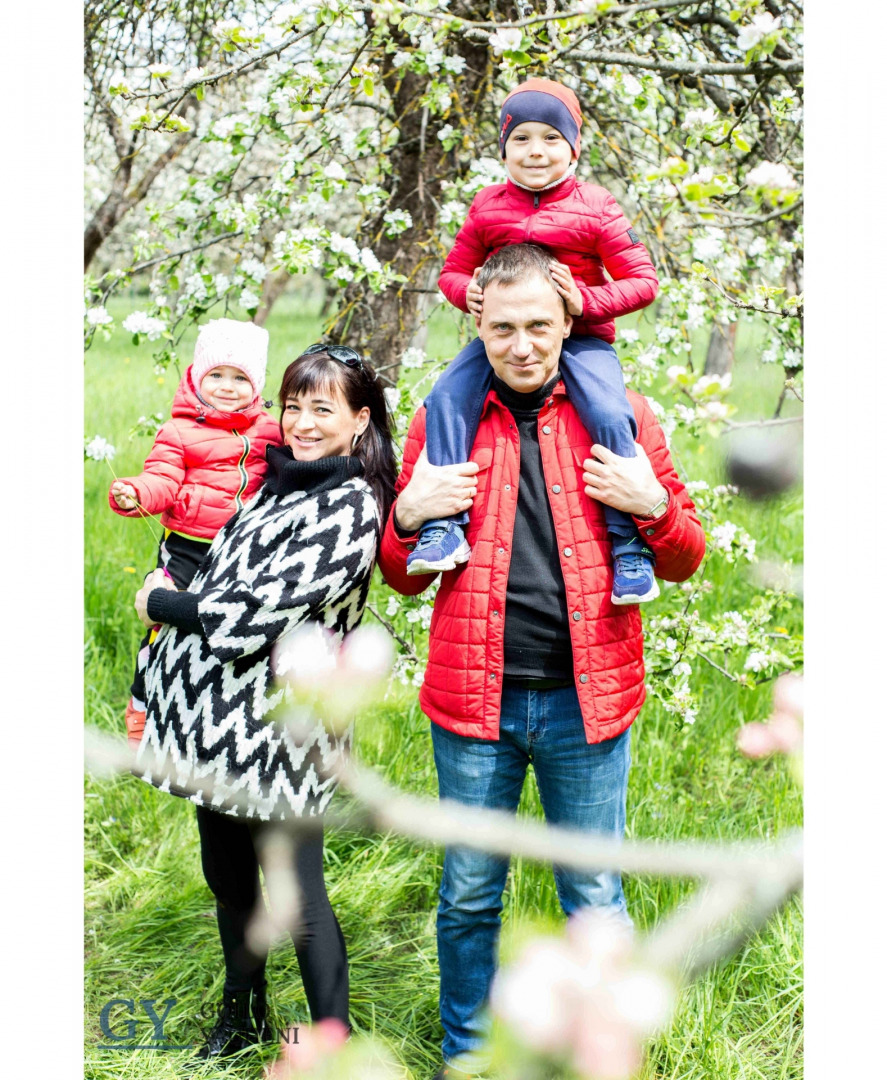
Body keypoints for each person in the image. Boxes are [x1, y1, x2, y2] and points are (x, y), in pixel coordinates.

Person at [377, 244, 705, 1080]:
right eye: (501, 329)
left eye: (537, 327)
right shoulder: (441, 420)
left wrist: (654, 506)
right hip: (473, 704)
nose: (521, 346)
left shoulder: (620, 414)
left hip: (584, 702)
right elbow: (400, 575)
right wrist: (407, 515)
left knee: (593, 899)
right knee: (468, 897)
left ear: (568, 323)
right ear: (477, 327)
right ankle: (469, 1056)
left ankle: (599, 1055)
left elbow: (684, 555)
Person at [132, 345, 397, 1061]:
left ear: (359, 420)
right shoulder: (274, 481)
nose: (303, 423)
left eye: (323, 409)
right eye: (294, 406)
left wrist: (159, 601)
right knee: (227, 882)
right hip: (210, 722)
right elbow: (217, 567)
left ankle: (332, 1050)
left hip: (281, 734)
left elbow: (248, 615)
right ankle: (242, 1018)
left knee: (300, 900)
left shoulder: (351, 508)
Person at [408, 77, 661, 607]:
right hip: (504, 337)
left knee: (611, 413)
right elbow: (451, 274)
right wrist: (470, 293)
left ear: (573, 146)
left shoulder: (595, 206)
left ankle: (628, 546)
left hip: (583, 340)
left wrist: (585, 300)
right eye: (521, 138)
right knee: (448, 399)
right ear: (504, 148)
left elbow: (643, 281)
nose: (535, 151)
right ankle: (445, 526)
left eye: (550, 137)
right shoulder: (488, 205)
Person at [109, 317, 282, 744]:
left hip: (243, 548)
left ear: (256, 384)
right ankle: (142, 704)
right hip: (187, 546)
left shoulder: (270, 432)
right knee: (162, 620)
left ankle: (216, 709)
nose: (227, 386)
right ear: (196, 377)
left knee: (225, 627)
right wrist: (136, 493)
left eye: (240, 377)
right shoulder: (179, 432)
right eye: (216, 375)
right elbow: (163, 479)